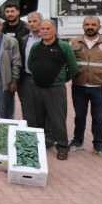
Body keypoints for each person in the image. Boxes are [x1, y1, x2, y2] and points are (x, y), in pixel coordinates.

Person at [69, 16, 102, 158]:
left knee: (98, 117)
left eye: (93, 24)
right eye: (87, 24)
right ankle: (77, 141)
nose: (90, 27)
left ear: (99, 27)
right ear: (83, 26)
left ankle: (98, 145)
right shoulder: (74, 42)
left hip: (99, 87)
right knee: (79, 116)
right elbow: (68, 62)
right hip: (79, 86)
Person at [27, 20, 78, 160]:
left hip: (55, 89)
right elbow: (30, 64)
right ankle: (45, 142)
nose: (44, 31)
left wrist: (61, 79)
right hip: (37, 88)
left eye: (48, 28)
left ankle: (62, 147)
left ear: (54, 30)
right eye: (42, 29)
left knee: (57, 119)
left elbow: (73, 68)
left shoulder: (64, 46)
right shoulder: (36, 47)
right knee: (39, 118)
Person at [18, 12, 42, 127]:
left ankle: (44, 133)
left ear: (41, 22)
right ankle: (29, 132)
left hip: (44, 79)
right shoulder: (24, 39)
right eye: (30, 21)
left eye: (35, 21)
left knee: (42, 107)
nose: (32, 24)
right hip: (27, 78)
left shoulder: (48, 38)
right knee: (28, 108)